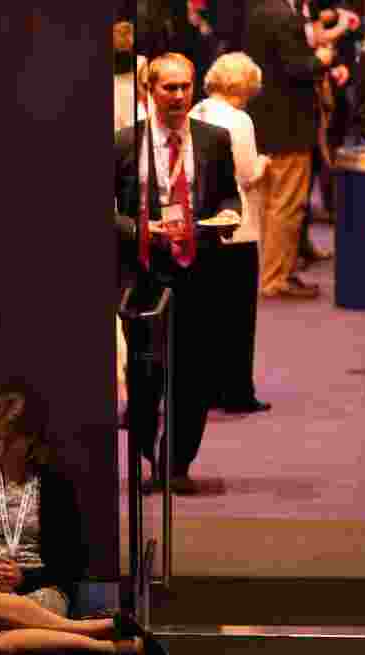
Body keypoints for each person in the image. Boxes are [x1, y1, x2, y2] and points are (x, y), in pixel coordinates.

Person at [0, 383, 166, 655]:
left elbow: (71, 562)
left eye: (9, 441)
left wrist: (25, 577)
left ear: (30, 439)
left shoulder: (53, 485)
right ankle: (102, 635)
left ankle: (114, 644)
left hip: (40, 591)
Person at [114, 53, 242, 495]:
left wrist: (229, 215)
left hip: (200, 273)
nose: (179, 95)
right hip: (146, 275)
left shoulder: (214, 139)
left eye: (185, 86)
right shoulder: (124, 143)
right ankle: (148, 454)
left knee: (194, 374)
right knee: (145, 374)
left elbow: (230, 196)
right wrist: (138, 229)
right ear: (151, 91)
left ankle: (177, 462)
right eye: (169, 87)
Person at [245, 0, 355, 298]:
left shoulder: (259, 11)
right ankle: (276, 278)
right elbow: (295, 67)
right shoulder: (285, 16)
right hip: (290, 126)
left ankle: (274, 272)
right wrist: (321, 59)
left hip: (268, 122)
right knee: (287, 205)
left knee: (271, 205)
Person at [189, 52, 273, 414]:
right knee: (238, 316)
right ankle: (237, 391)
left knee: (205, 313)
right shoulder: (240, 121)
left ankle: (204, 388)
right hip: (236, 227)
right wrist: (264, 166)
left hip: (201, 224)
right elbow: (244, 173)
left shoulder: (195, 112)